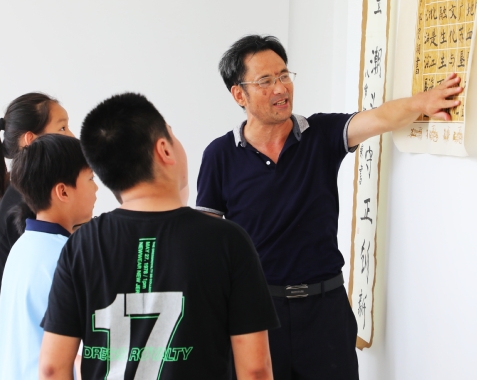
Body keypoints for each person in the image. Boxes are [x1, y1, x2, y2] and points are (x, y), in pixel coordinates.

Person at [196, 35, 463, 379]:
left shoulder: (319, 134)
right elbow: (207, 247)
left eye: (284, 75)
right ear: (239, 94)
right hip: (256, 313)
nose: (280, 88)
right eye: (265, 81)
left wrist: (422, 102)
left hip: (325, 311)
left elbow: (378, 119)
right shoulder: (219, 155)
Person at [39, 92, 278, 380]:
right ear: (164, 149)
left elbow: (52, 368)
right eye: (173, 136)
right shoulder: (228, 241)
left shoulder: (81, 244)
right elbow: (255, 369)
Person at [0, 93, 74, 380]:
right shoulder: (26, 203)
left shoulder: (21, 196)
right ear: (31, 140)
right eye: (62, 127)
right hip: (21, 354)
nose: (71, 136)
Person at [0, 134, 97, 380]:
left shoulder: (22, 247)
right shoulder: (67, 255)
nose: (96, 188)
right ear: (63, 191)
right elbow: (77, 356)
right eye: (91, 179)